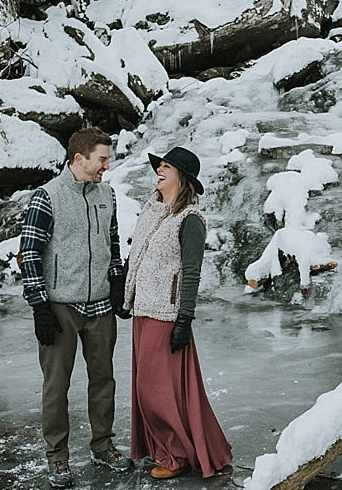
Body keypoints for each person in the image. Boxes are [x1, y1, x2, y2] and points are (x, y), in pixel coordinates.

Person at [19, 127, 134, 489]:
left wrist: (117, 281)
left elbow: (112, 243)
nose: (106, 166)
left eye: (108, 159)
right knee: (57, 386)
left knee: (103, 379)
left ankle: (103, 446)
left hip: (100, 307)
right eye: (102, 159)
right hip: (60, 309)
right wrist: (39, 305)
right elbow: (30, 253)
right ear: (79, 158)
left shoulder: (107, 194)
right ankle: (58, 457)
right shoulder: (47, 197)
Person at [122, 146, 233, 479]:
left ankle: (178, 455)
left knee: (153, 390)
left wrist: (184, 318)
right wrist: (124, 292)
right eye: (160, 165)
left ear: (182, 177)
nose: (159, 170)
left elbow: (191, 272)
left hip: (167, 315)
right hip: (144, 309)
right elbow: (137, 256)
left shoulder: (191, 220)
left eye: (166, 166)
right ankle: (169, 449)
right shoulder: (153, 210)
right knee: (152, 389)